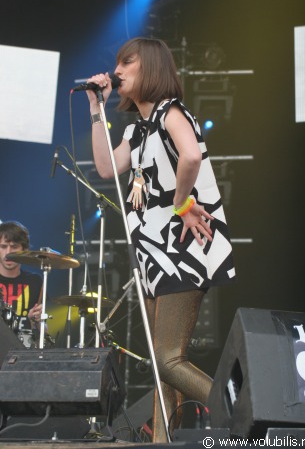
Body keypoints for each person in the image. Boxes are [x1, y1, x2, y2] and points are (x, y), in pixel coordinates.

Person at [86, 37, 235, 442]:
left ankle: (244, 414)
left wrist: (182, 201)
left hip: (183, 251)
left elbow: (190, 156)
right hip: (155, 254)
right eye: (116, 63)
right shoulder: (136, 130)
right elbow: (104, 167)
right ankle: (162, 441)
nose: (117, 71)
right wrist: (96, 108)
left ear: (149, 66)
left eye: (126, 63)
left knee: (169, 361)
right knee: (160, 362)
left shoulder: (172, 112)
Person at [0, 221, 44, 346]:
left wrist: (36, 322)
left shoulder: (35, 282)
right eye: (3, 246)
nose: (8, 253)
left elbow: (46, 330)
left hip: (22, 353)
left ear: (24, 250)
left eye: (14, 247)